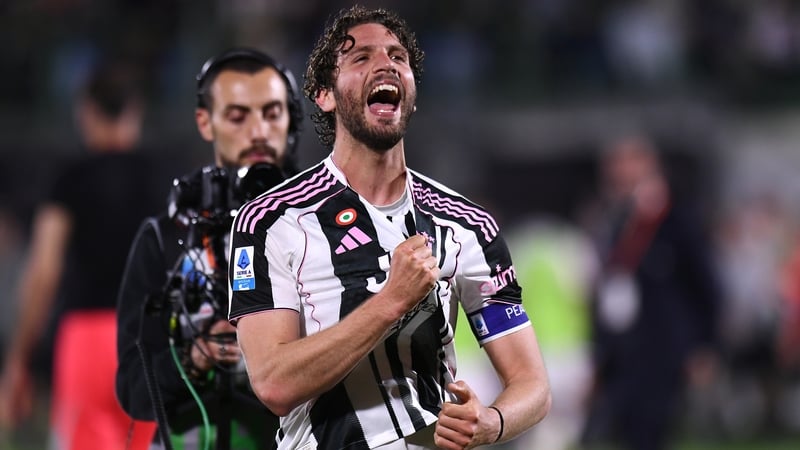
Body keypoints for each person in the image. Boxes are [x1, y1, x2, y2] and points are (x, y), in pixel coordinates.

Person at [228, 6, 552, 450]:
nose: (385, 64)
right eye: (361, 58)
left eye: (398, 57)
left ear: (413, 93)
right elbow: (273, 384)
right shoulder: (270, 222)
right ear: (324, 94)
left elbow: (531, 383)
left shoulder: (467, 226)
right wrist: (391, 301)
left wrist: (491, 423)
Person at [115, 48, 304, 450]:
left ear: (291, 119)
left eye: (272, 113)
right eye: (238, 116)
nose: (258, 131)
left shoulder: (325, 227)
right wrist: (195, 358)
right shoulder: (165, 237)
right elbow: (133, 390)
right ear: (206, 122)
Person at [0, 62, 164, 449]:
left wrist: (18, 358)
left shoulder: (70, 178)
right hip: (147, 342)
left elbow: (44, 270)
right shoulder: (161, 179)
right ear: (135, 111)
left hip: (87, 341)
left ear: (86, 112)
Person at [579, 134, 721, 450]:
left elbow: (705, 286)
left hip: (662, 348)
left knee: (652, 429)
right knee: (625, 430)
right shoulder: (614, 221)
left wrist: (704, 346)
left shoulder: (676, 219)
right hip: (622, 351)